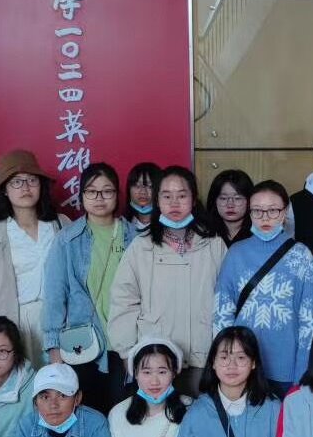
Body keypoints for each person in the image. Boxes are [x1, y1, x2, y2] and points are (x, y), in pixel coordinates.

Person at [109, 166, 227, 391]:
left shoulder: (214, 244)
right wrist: (127, 352)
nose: (174, 203)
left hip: (205, 358)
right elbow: (123, 301)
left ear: (193, 199)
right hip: (156, 362)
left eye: (182, 196)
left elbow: (227, 301)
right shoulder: (141, 247)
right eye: (166, 196)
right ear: (157, 201)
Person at [213, 180, 313, 397]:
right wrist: (225, 361)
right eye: (257, 211)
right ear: (250, 212)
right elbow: (221, 314)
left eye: (273, 211)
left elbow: (311, 318)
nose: (265, 218)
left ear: (285, 212)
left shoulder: (301, 254)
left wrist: (303, 370)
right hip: (242, 366)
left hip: (287, 367)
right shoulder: (236, 253)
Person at [43, 163, 137, 413]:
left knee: (123, 414)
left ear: (117, 194)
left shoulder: (135, 237)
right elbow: (55, 296)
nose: (99, 198)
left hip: (125, 345)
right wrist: (54, 350)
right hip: (81, 344)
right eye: (92, 191)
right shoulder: (67, 239)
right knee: (86, 414)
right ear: (82, 195)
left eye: (107, 191)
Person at [0, 150, 66, 369]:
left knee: (60, 383)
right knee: (21, 381)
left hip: (61, 321)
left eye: (32, 180)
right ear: (4, 190)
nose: (25, 188)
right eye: (17, 182)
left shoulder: (61, 225)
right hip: (16, 322)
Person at [206, 169, 253, 247]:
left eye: (237, 198)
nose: (230, 205)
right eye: (223, 198)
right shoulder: (204, 233)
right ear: (214, 201)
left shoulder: (257, 233)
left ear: (250, 200)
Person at [125, 162, 161, 228]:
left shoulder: (168, 226)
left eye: (150, 186)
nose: (143, 192)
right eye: (137, 185)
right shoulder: (122, 225)